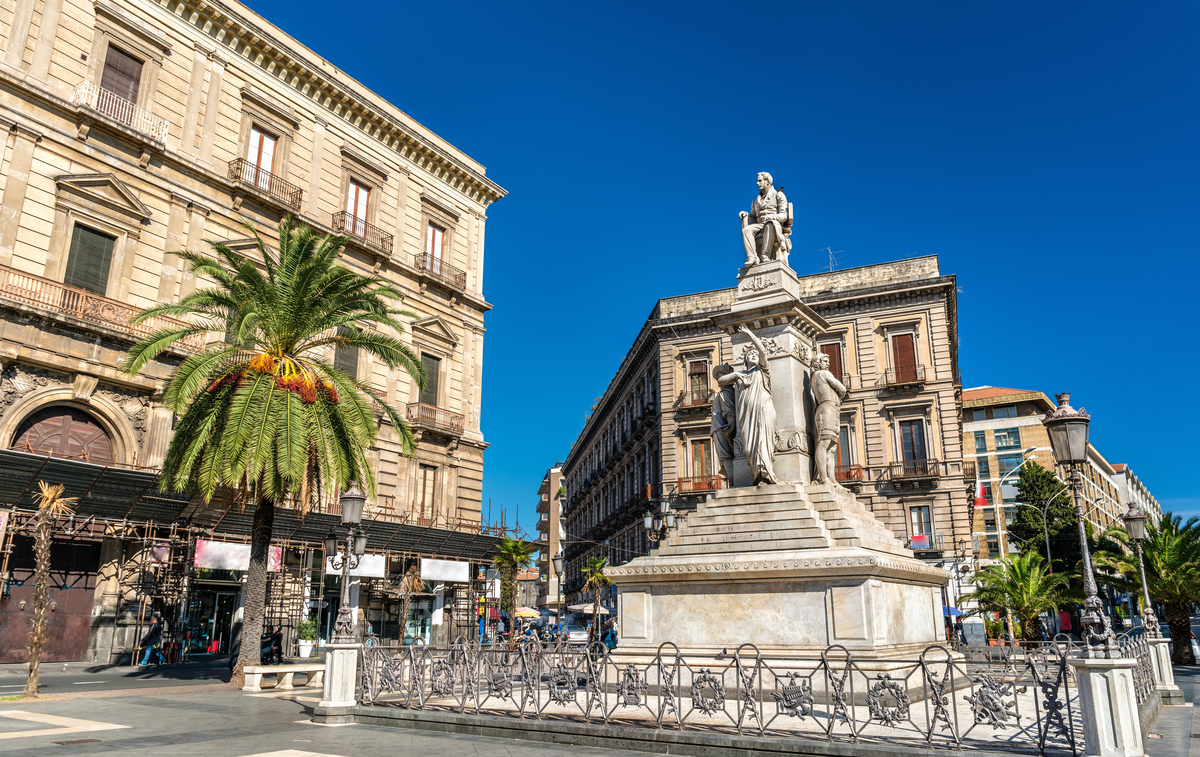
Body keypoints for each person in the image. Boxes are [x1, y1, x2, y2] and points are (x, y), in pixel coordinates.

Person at [716, 325, 778, 485]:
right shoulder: (740, 375)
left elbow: (763, 352)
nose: (753, 355)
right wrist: (736, 374)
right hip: (747, 416)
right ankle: (756, 475)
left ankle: (765, 476)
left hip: (764, 411)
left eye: (754, 354)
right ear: (744, 360)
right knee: (749, 449)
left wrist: (749, 333)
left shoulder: (762, 371)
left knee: (762, 444)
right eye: (749, 354)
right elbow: (721, 381)